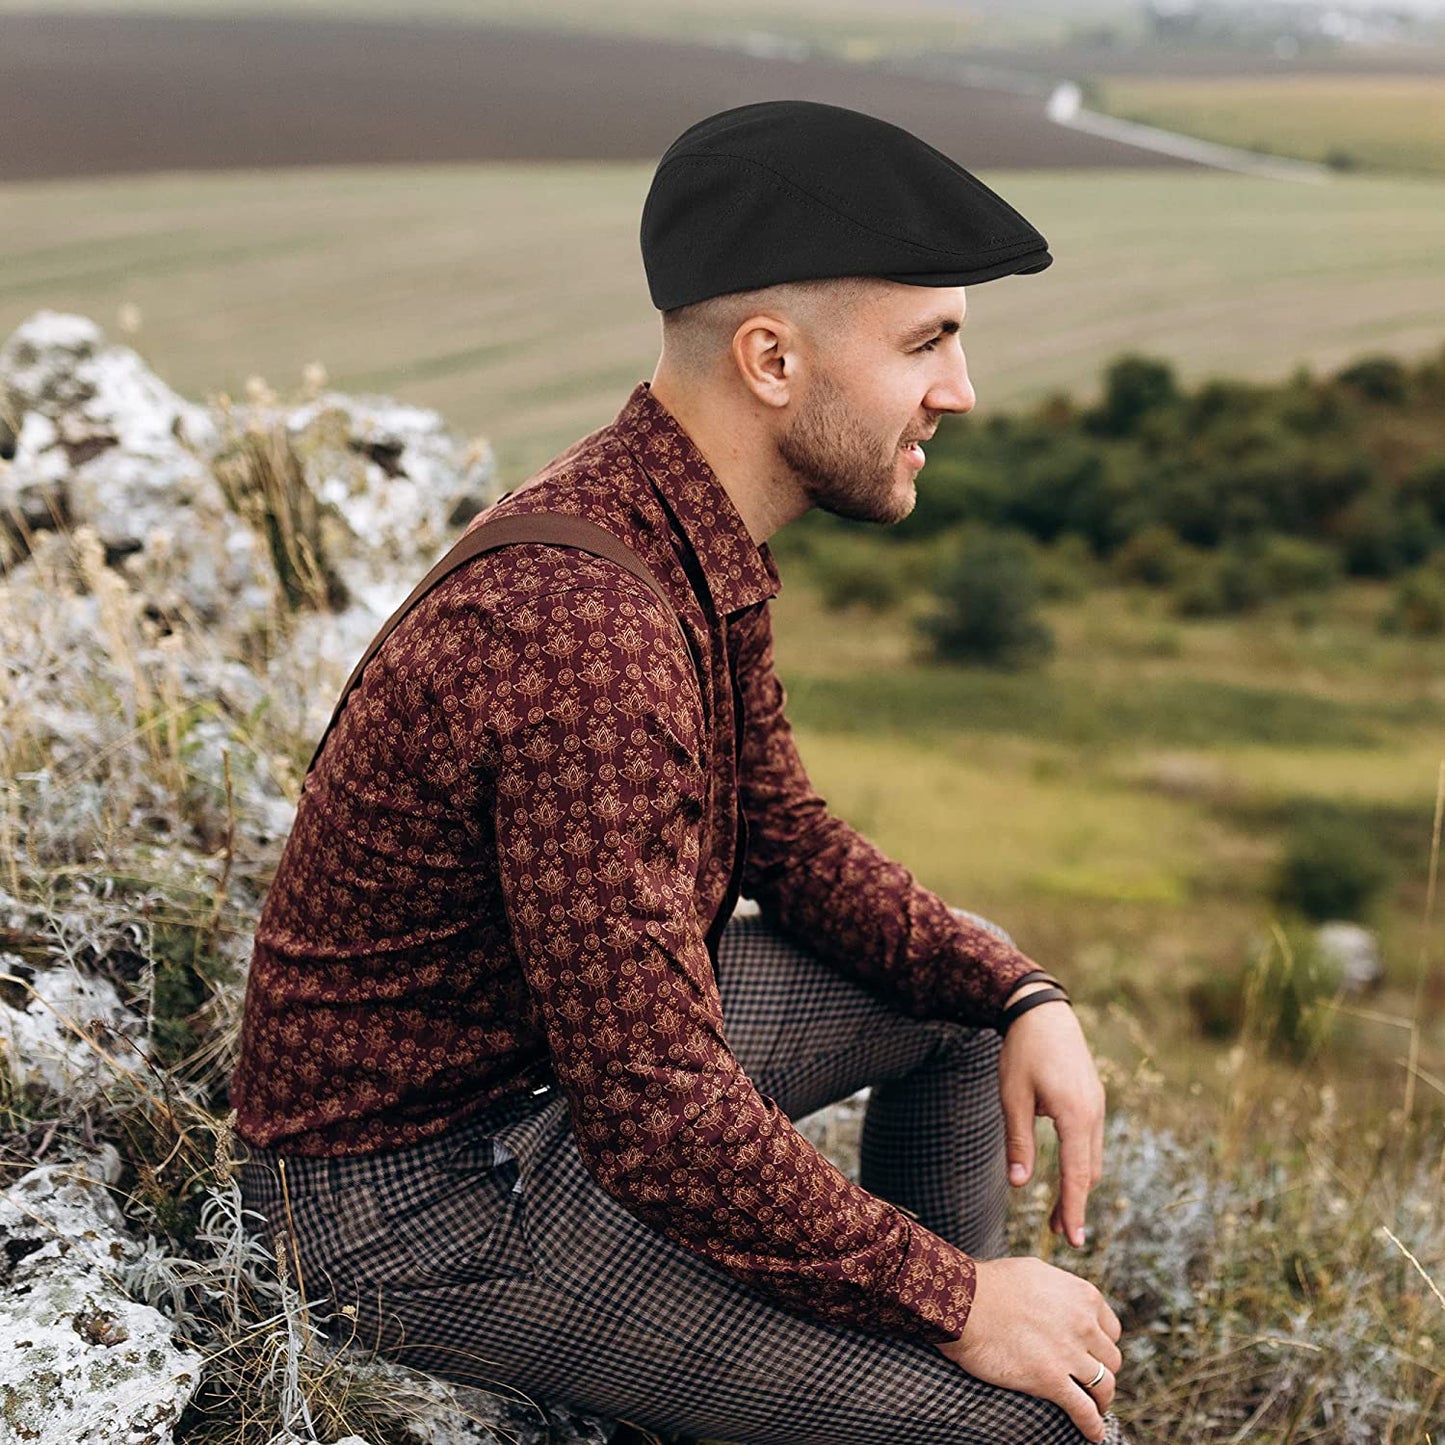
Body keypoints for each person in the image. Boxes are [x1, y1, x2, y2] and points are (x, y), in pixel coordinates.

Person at [232, 99, 1125, 1444]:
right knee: (1023, 1426)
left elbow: (782, 832)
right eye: (925, 342)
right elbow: (656, 1114)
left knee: (955, 996)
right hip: (407, 1209)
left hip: (535, 1099)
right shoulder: (586, 625)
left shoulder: (673, 521)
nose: (960, 389)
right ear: (770, 359)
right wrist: (953, 1299)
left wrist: (1020, 990)